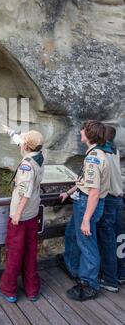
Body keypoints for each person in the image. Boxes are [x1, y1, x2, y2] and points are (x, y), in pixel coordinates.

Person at [57, 120, 110, 301]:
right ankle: (74, 269)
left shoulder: (94, 158)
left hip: (88, 205)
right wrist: (68, 192)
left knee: (87, 244)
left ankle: (89, 284)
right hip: (84, 201)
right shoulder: (97, 154)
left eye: (82, 131)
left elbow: (94, 192)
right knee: (72, 233)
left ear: (88, 135)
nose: (80, 133)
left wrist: (86, 218)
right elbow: (84, 183)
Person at [0, 127, 44, 303]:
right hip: (33, 214)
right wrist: (10, 132)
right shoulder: (39, 156)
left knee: (14, 252)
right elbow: (23, 142)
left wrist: (16, 216)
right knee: (30, 251)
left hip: (21, 217)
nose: (22, 143)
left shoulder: (26, 166)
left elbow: (25, 193)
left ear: (27, 146)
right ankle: (32, 290)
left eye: (24, 141)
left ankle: (8, 289)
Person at [97, 125, 125, 292]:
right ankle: (121, 274)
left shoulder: (103, 151)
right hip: (118, 199)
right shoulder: (115, 150)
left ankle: (109, 279)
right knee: (119, 236)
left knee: (107, 240)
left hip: (107, 199)